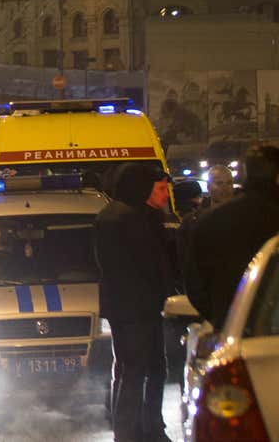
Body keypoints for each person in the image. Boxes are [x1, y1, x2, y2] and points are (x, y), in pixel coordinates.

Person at [95, 162, 175, 442]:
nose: (165, 195)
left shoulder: (116, 214)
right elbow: (151, 265)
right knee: (140, 369)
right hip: (138, 308)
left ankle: (134, 429)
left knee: (133, 369)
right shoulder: (130, 218)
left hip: (128, 308)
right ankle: (138, 430)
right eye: (160, 189)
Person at [187, 146, 279, 328]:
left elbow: (195, 283)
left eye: (228, 183)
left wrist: (221, 317)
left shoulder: (209, 222)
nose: (224, 188)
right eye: (219, 183)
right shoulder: (203, 220)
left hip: (229, 328)